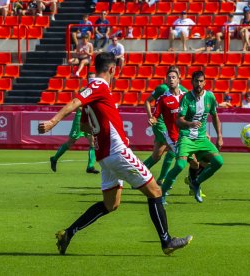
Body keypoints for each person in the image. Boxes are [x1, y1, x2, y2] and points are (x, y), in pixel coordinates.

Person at [38, 52, 192, 256]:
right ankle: (167, 241)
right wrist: (53, 121)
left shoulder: (95, 95)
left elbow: (84, 123)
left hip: (104, 155)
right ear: (112, 69)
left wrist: (97, 133)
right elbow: (75, 102)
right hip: (116, 151)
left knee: (111, 204)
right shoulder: (98, 86)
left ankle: (68, 233)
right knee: (155, 191)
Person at [161, 71, 224, 203]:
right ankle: (160, 195)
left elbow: (215, 116)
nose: (199, 84)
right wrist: (190, 124)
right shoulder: (186, 98)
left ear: (205, 82)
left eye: (201, 81)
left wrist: (219, 136)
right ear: (192, 82)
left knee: (218, 162)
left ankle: (196, 182)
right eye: (196, 81)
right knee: (179, 165)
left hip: (201, 139)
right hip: (186, 137)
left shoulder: (210, 97)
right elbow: (178, 121)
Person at [144, 66, 188, 186]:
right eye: (170, 77)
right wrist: (151, 117)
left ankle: (137, 175)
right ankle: (163, 179)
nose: (172, 79)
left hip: (173, 125)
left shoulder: (184, 91)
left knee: (157, 155)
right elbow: (148, 101)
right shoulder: (162, 88)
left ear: (179, 77)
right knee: (174, 149)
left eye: (175, 76)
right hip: (160, 124)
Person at [49, 73, 100, 174]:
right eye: (92, 78)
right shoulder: (84, 90)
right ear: (89, 79)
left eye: (95, 78)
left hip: (90, 119)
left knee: (92, 142)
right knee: (71, 142)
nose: (93, 80)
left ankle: (90, 166)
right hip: (80, 118)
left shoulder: (97, 90)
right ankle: (54, 158)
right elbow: (78, 105)